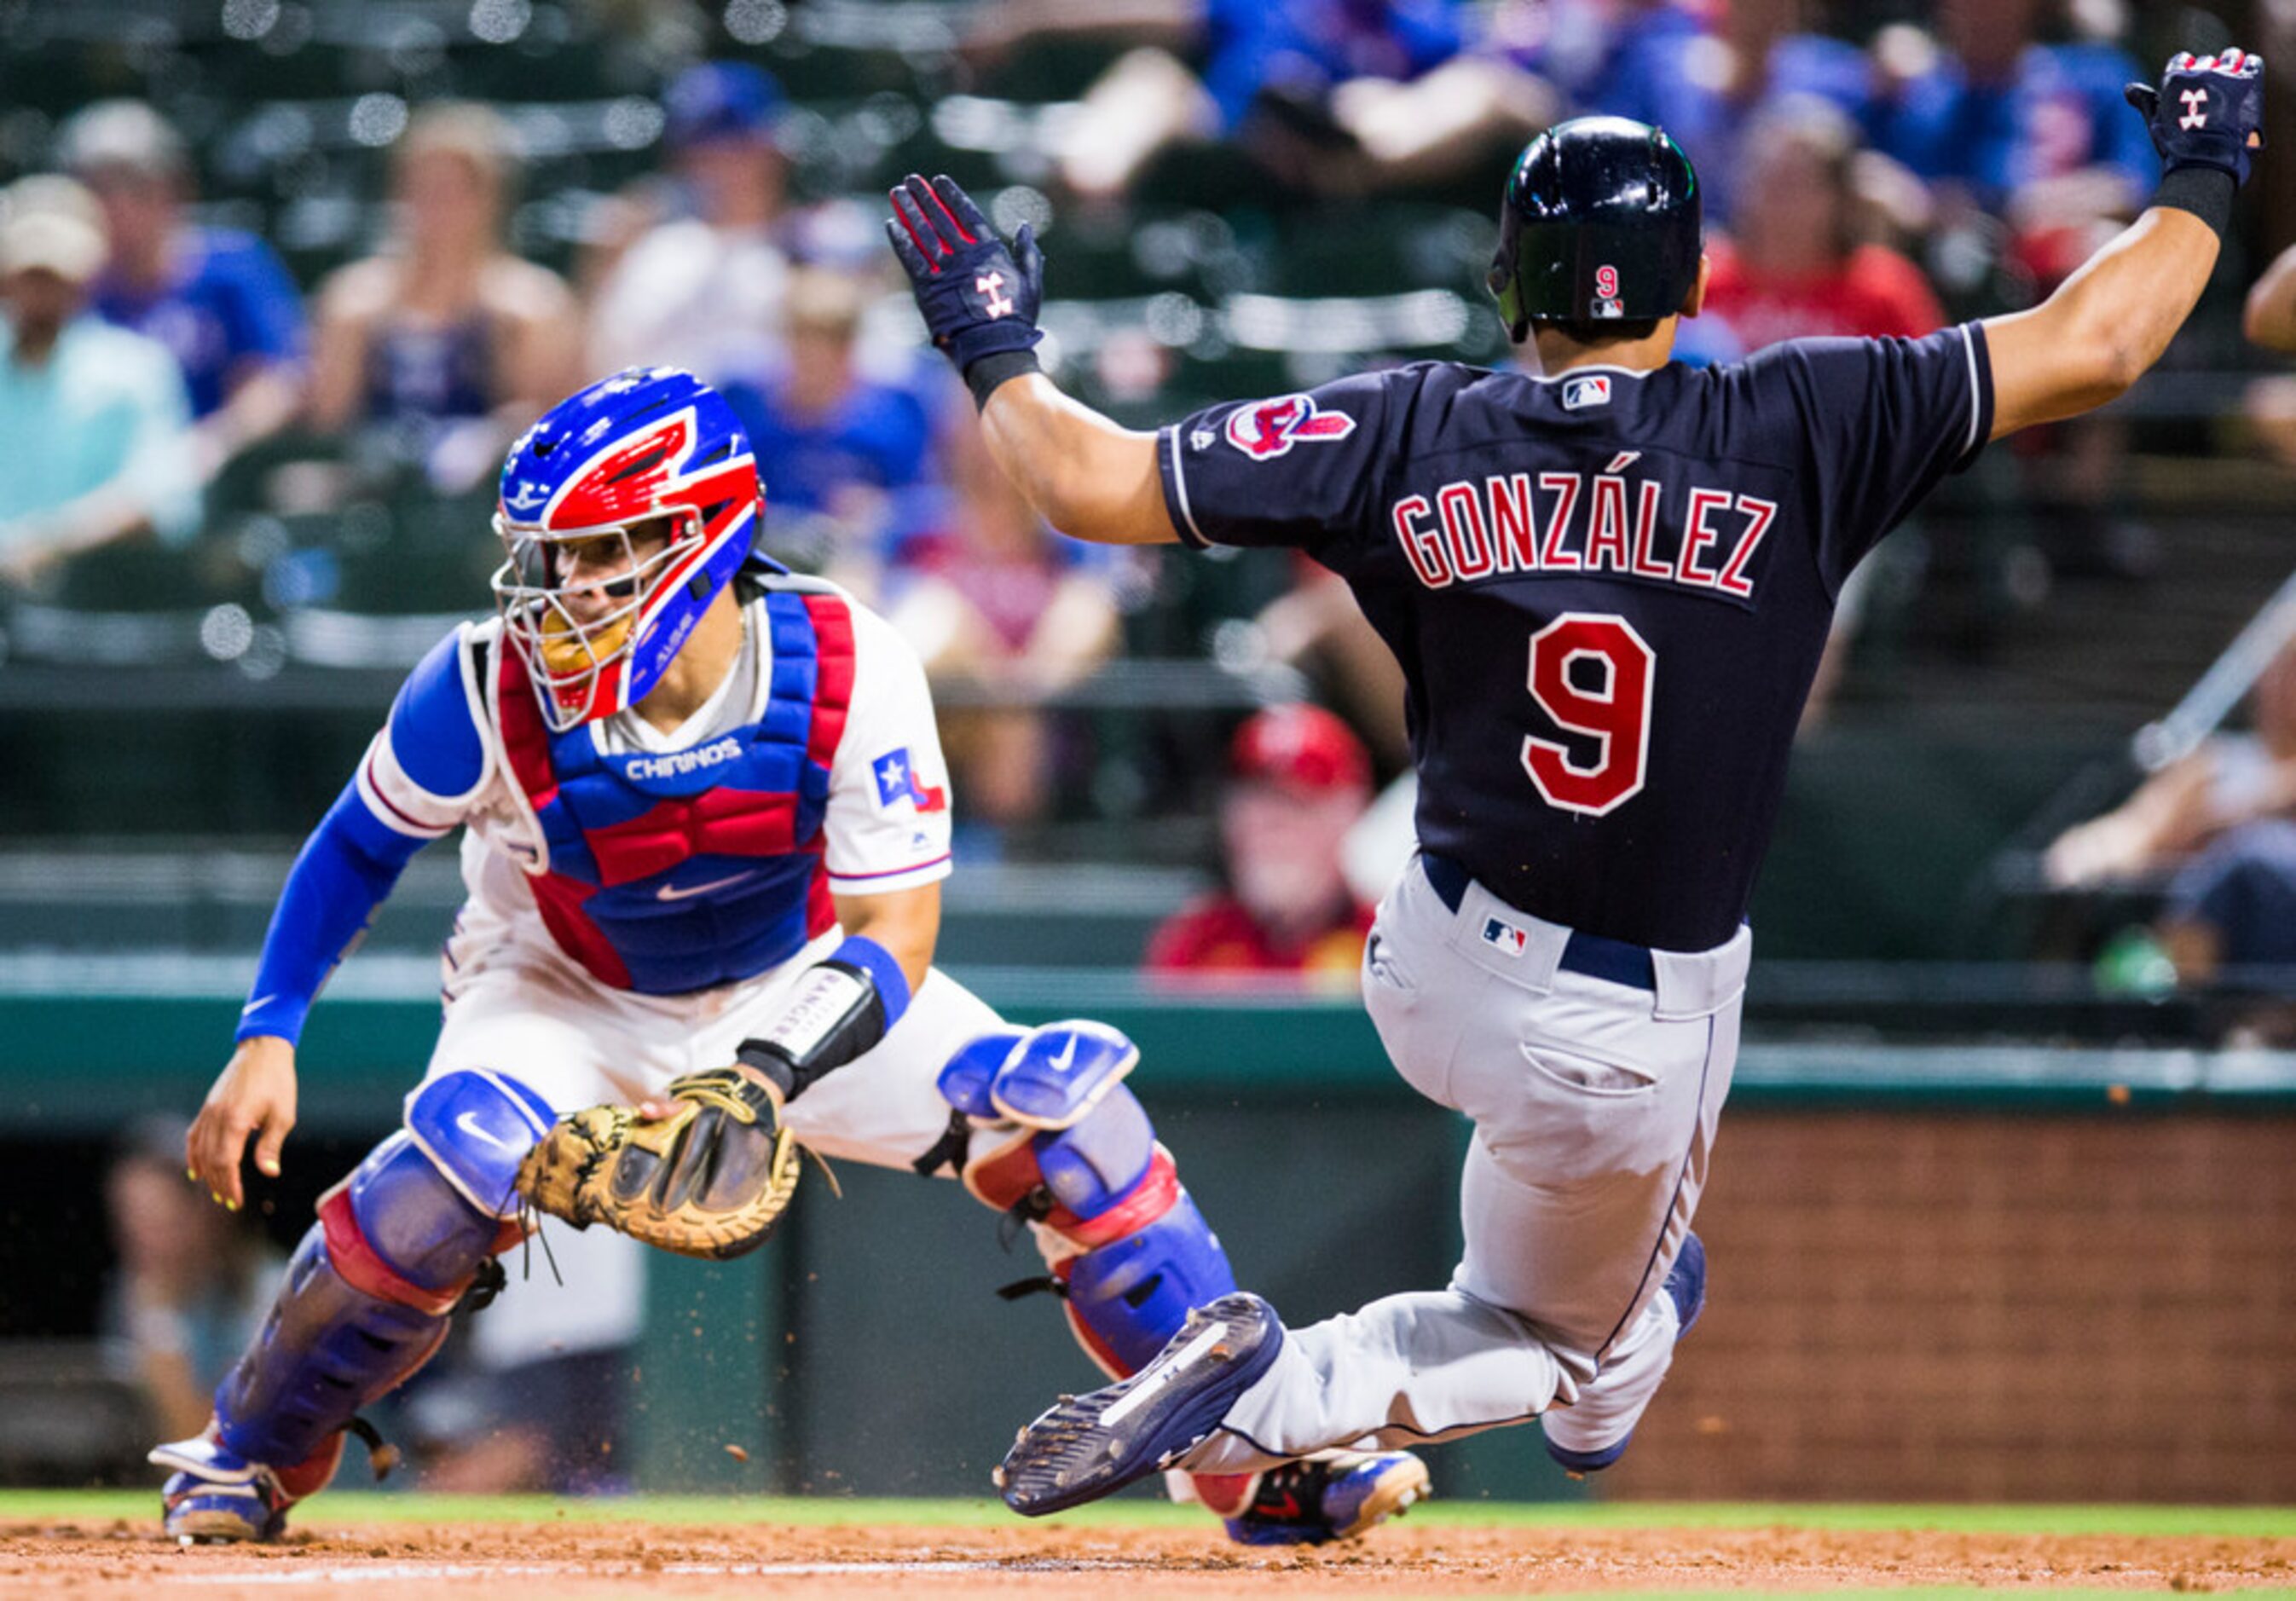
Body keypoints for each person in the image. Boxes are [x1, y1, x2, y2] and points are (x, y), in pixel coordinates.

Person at [876, 46, 2264, 1511]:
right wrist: (2202, 165)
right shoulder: (1798, 418)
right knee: (1569, 1354)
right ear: (1688, 281)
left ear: (1509, 285)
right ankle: (1277, 1385)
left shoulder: (1402, 424)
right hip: (1617, 1024)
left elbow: (1087, 482)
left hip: (1425, 953)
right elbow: (2100, 341)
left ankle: (1594, 1304)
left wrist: (989, 339)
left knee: (1595, 1271)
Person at [147, 365, 1423, 1546]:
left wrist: (757, 1069)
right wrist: (270, 1029)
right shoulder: (482, 682)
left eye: (594, 558)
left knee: (1068, 1116)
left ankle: (1257, 1461)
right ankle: (244, 1450)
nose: (554, 594)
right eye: (546, 558)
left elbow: (896, 935)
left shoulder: (845, 656)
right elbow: (356, 843)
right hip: (559, 986)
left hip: (795, 977)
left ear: (695, 542)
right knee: (445, 1175)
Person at [306, 103, 582, 494]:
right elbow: (329, 420)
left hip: (489, 495)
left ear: (491, 197)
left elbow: (551, 423)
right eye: (422, 187)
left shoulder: (531, 304)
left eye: (455, 189)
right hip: (373, 489)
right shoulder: (354, 301)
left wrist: (489, 438)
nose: (437, 205)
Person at [60, 100, 305, 486]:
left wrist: (212, 443)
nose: (115, 205)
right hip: (96, 477)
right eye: (96, 187)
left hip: (215, 478)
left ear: (175, 188)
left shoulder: (234, 267)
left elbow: (274, 385)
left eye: (134, 186)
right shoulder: (67, 283)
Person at [0, 175, 200, 589]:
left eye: (55, 275)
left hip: (96, 593)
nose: (42, 291)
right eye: (31, 274)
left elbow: (162, 502)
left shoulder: (137, 369)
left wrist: (48, 545)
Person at [585, 62, 794, 383]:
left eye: (736, 146)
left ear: (771, 148)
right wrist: (598, 268)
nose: (719, 165)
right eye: (703, 150)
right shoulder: (653, 250)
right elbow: (601, 367)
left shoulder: (819, 244)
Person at [1147, 704, 1376, 981]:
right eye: (1256, 803)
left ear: (1347, 815)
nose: (1272, 827)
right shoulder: (1198, 940)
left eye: (1297, 803)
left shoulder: (1384, 942)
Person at [103, 1119, 286, 1444]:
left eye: (159, 1221)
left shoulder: (273, 1291)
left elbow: (211, 1445)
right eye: (129, 1222)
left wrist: (159, 1325)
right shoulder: (132, 1289)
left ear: (210, 1211)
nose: (141, 1241)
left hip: (331, 1491)